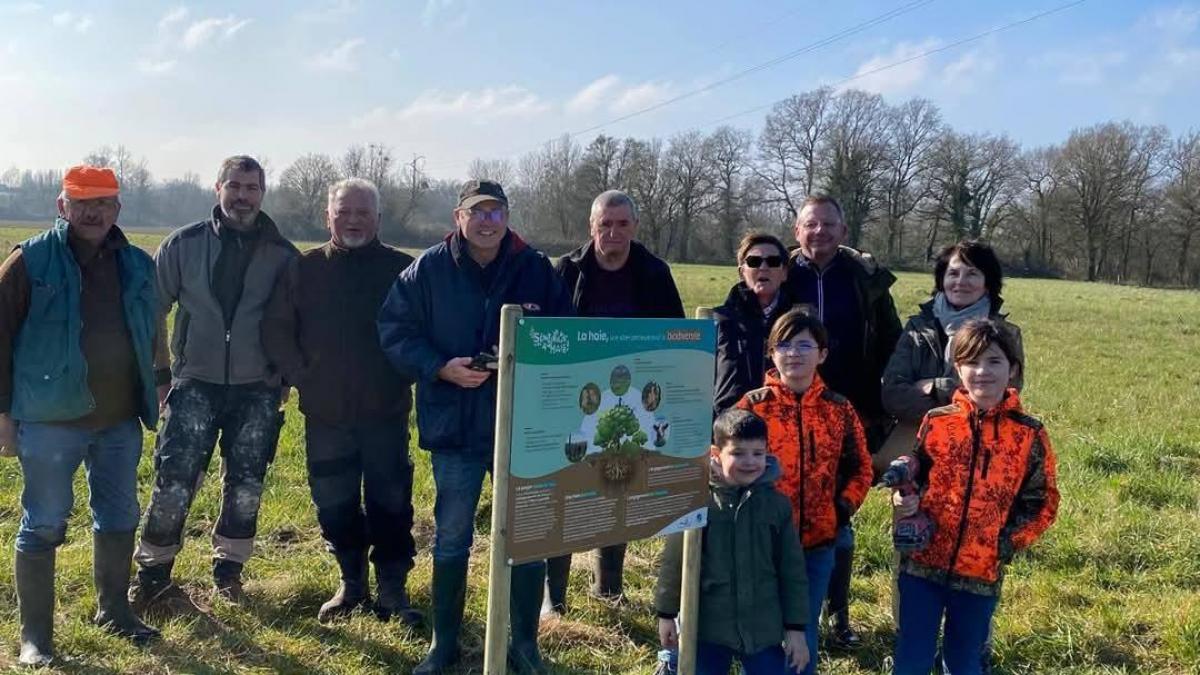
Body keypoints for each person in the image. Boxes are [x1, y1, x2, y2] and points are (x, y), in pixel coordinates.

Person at [378, 179, 573, 675]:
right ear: (458, 218)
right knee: (451, 535)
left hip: (522, 426)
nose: (487, 221)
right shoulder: (427, 270)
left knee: (527, 535)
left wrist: (521, 363)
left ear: (507, 216)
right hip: (455, 427)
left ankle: (524, 645)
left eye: (496, 211)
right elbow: (395, 332)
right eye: (477, 212)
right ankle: (443, 645)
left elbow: (564, 335)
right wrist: (441, 367)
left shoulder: (534, 269)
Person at [0, 166, 165, 665]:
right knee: (44, 523)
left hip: (119, 421)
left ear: (118, 209)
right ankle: (36, 640)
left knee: (119, 515)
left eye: (104, 203)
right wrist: (2, 415)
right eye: (81, 202)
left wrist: (160, 382)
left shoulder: (139, 263)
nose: (93, 212)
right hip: (50, 421)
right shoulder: (28, 262)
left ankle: (114, 612)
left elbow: (153, 328)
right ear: (61, 206)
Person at [130, 155, 298, 608]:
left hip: (257, 389)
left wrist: (284, 376)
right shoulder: (183, 245)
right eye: (235, 186)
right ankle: (153, 575)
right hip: (194, 384)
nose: (242, 196)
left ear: (262, 193)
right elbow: (152, 315)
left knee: (246, 484)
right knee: (174, 480)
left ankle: (229, 572)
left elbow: (296, 322)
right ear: (218, 188)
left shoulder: (283, 255)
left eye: (252, 188)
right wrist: (162, 375)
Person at [262, 178, 421, 624]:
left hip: (385, 412)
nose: (353, 221)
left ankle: (393, 590)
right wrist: (301, 376)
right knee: (334, 501)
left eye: (363, 214)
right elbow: (276, 328)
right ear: (328, 216)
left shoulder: (402, 271)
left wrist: (404, 373)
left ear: (378, 219)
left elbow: (422, 331)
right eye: (343, 213)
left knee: (391, 503)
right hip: (325, 413)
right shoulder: (304, 268)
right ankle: (351, 585)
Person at [891, 318, 1058, 675]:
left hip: (980, 572)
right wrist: (907, 501)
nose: (982, 371)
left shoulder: (1029, 434)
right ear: (958, 369)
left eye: (994, 361)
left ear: (1012, 369)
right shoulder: (936, 421)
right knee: (912, 657)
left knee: (965, 661)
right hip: (922, 564)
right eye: (972, 362)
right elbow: (919, 476)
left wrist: (1003, 544)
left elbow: (1042, 502)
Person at [546, 189, 684, 614]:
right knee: (566, 491)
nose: (613, 232)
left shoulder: (654, 273)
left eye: (622, 224)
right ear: (591, 227)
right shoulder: (566, 270)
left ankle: (609, 587)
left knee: (617, 487)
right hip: (574, 399)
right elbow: (547, 334)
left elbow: (674, 337)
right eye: (604, 224)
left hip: (631, 402)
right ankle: (555, 596)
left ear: (635, 227)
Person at [786, 195, 901, 648]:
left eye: (829, 225)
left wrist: (886, 402)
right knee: (792, 512)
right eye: (811, 225)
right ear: (797, 231)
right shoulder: (782, 272)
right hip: (790, 410)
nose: (820, 233)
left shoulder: (865, 280)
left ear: (844, 232)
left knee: (840, 513)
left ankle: (837, 617)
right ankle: (794, 615)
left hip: (848, 411)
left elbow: (891, 341)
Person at [736, 309, 873, 675]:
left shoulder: (838, 410)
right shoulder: (752, 406)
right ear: (771, 353)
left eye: (804, 345)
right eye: (784, 345)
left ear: (822, 354)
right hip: (761, 545)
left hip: (816, 545)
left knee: (803, 630)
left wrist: (841, 510)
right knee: (765, 633)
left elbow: (861, 467)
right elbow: (724, 463)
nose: (793, 354)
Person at [655, 409, 810, 675]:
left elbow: (792, 571)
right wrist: (666, 614)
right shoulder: (698, 502)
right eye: (738, 453)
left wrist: (795, 629)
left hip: (763, 629)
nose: (749, 462)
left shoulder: (777, 506)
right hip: (707, 629)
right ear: (716, 454)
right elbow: (674, 562)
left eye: (758, 454)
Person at [880, 241, 1024, 471]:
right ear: (942, 280)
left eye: (972, 274)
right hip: (917, 429)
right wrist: (946, 414)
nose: (960, 282)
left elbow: (1002, 392)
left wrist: (936, 387)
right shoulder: (917, 328)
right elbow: (892, 392)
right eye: (953, 273)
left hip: (981, 431)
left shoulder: (1005, 334)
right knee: (898, 475)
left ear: (988, 283)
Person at [713, 232, 796, 415]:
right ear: (742, 272)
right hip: (731, 429)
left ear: (784, 273)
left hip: (783, 427)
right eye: (754, 262)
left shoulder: (798, 324)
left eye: (773, 261)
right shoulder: (719, 321)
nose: (763, 267)